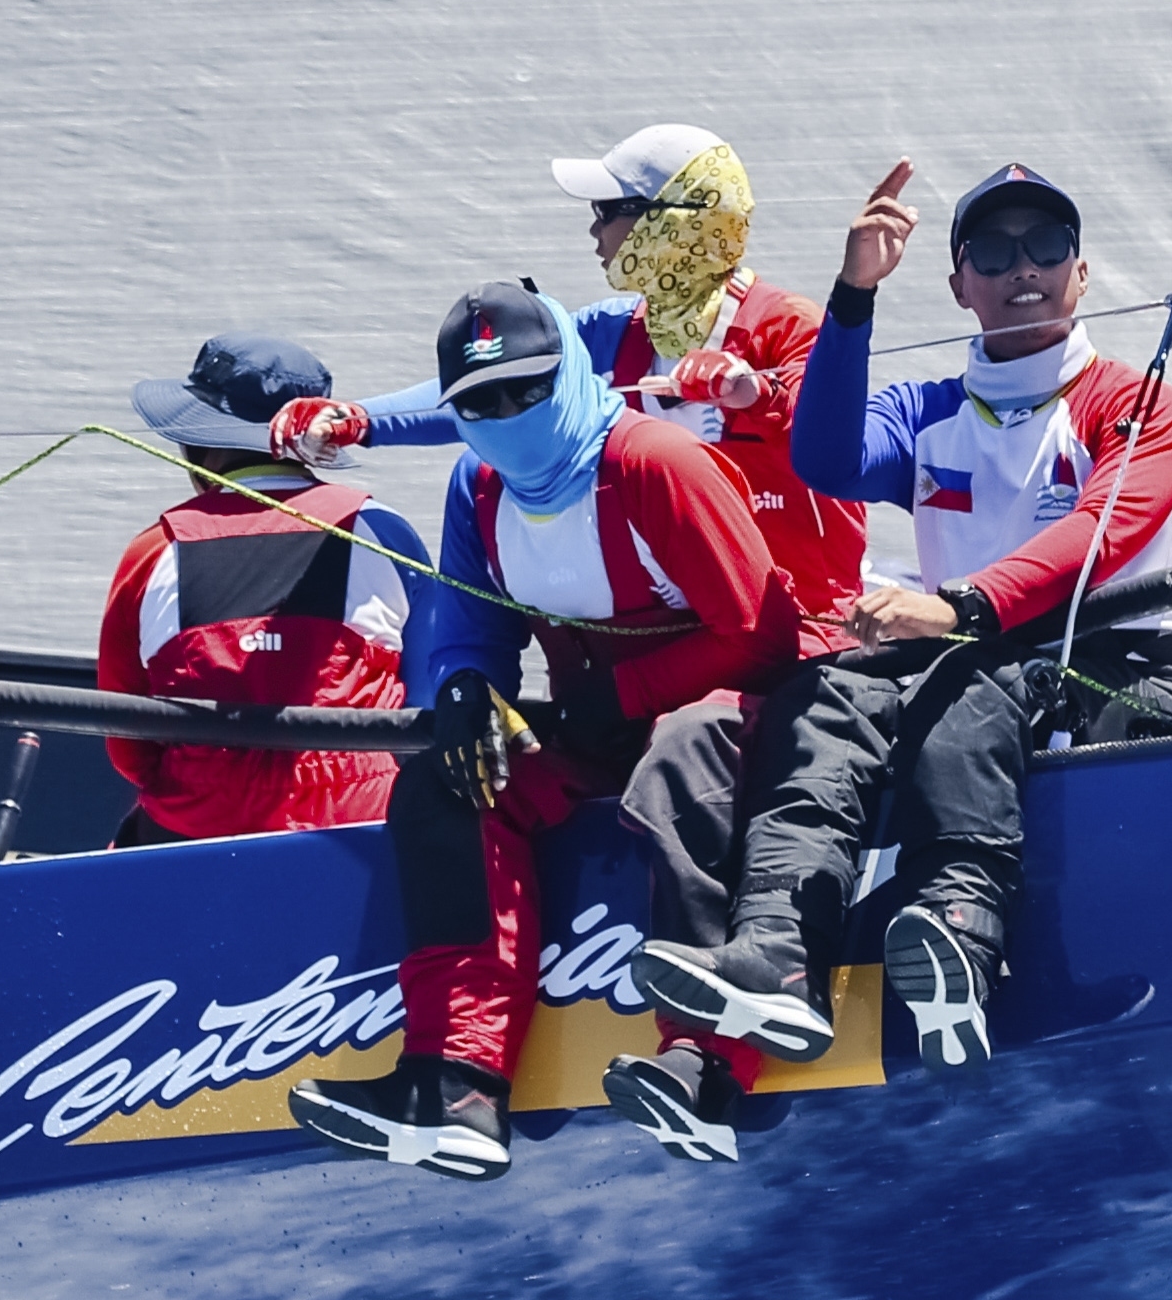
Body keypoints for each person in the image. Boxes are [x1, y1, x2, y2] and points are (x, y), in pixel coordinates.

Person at [635, 160, 1172, 1082]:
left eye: (1046, 245)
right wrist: (854, 295)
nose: (1022, 266)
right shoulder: (927, 409)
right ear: (957, 286)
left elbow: (1099, 534)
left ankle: (960, 936)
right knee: (820, 693)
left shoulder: (1133, 399)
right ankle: (779, 949)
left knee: (963, 689)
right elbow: (823, 456)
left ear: (1083, 272)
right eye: (991, 249)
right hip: (971, 647)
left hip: (1118, 661)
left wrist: (957, 605)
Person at [291, 281, 800, 1179]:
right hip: (598, 718)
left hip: (723, 706)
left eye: (526, 389)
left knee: (685, 749)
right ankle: (456, 1087)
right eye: (479, 402)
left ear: (568, 373)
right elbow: (468, 629)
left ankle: (707, 1064)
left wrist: (629, 692)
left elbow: (760, 638)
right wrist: (461, 691)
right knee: (448, 782)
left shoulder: (655, 462)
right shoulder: (477, 485)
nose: (505, 414)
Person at [293, 126, 866, 630]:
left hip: (800, 631)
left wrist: (752, 392)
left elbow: (840, 442)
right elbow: (494, 389)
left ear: (669, 221)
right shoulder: (615, 329)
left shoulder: (786, 323)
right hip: (680, 629)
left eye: (606, 212)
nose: (593, 233)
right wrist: (359, 420)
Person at [91, 334, 421, 844]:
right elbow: (432, 683)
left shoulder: (153, 549)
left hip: (197, 824)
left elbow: (127, 741)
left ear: (202, 440)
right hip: (361, 825)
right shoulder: (384, 529)